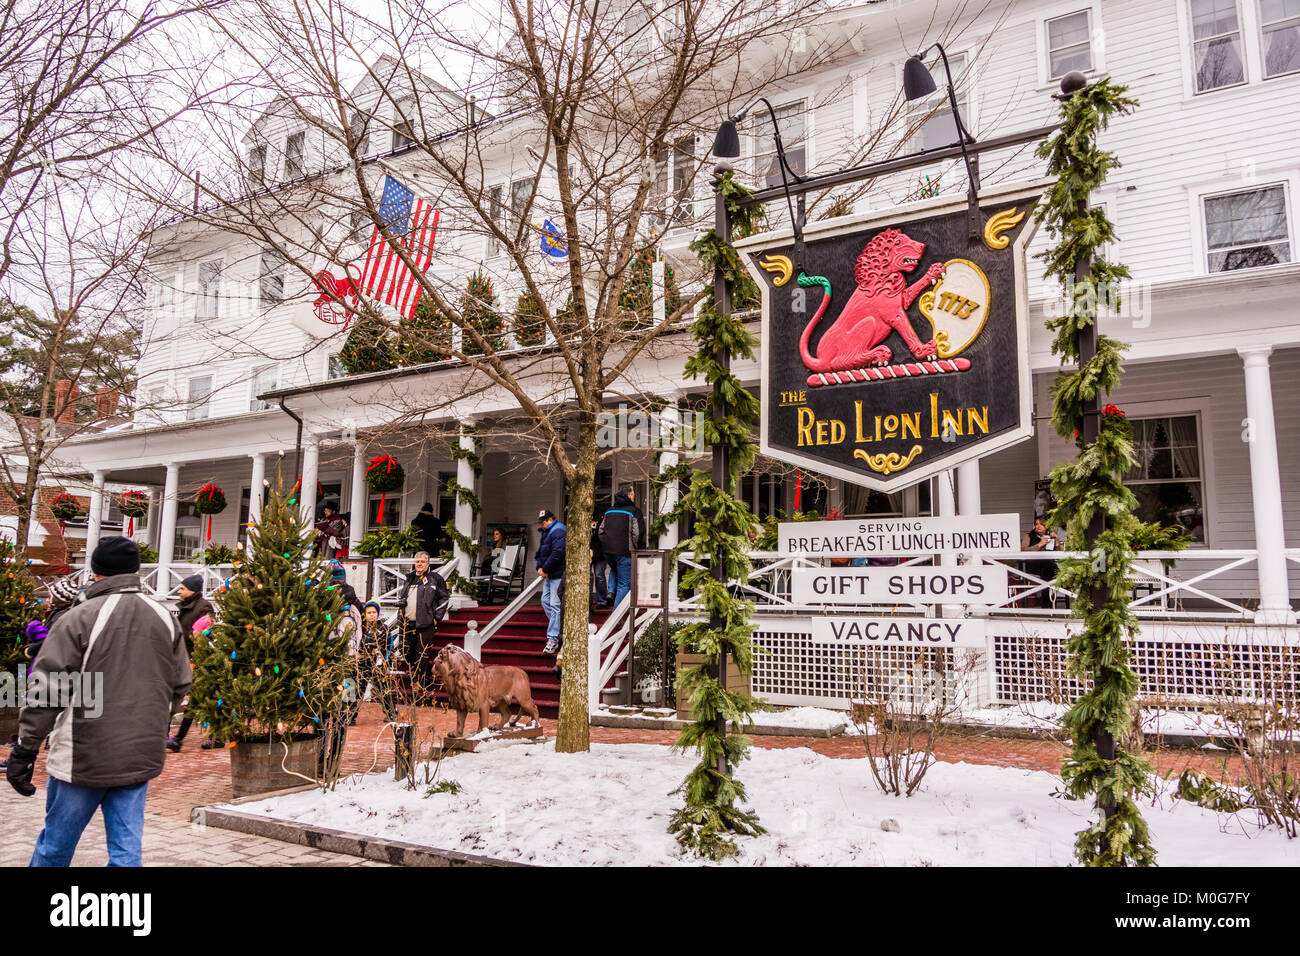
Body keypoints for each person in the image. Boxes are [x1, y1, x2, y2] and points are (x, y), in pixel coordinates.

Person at [6, 536, 191, 867]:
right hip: (139, 755)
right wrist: (154, 728)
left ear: (96, 571)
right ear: (135, 571)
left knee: (56, 847)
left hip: (84, 755)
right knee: (125, 852)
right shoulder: (165, 617)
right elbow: (180, 684)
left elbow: (47, 691)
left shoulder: (79, 618)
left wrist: (25, 749)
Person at [167, 574, 216, 752]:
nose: (178, 591)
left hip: (198, 660)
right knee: (175, 697)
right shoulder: (185, 608)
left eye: (182, 588)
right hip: (183, 659)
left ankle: (181, 738)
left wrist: (199, 633)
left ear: (192, 591)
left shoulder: (204, 606)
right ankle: (171, 737)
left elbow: (209, 626)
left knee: (197, 700)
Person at [398, 551, 450, 699]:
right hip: (407, 622)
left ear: (428, 563)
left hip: (425, 623)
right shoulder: (409, 578)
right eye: (417, 561)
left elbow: (444, 599)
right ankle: (416, 678)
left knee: (422, 655)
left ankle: (419, 683)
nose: (419, 564)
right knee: (406, 651)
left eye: (422, 561)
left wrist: (436, 618)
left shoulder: (435, 579)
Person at [597, 486, 644, 609]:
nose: (634, 497)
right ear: (629, 496)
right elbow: (637, 533)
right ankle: (614, 617)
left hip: (608, 551)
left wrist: (607, 543)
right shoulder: (633, 511)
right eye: (633, 495)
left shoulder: (609, 511)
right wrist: (635, 547)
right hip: (624, 551)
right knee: (624, 584)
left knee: (615, 568)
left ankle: (611, 591)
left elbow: (600, 531)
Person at [535, 509, 566, 655]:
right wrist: (539, 567)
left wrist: (545, 568)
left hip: (557, 573)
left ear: (550, 520)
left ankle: (553, 639)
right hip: (549, 574)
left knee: (555, 605)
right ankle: (560, 627)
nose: (541, 525)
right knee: (545, 601)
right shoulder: (548, 532)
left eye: (543, 522)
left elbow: (558, 553)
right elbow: (542, 552)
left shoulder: (558, 531)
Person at [1021, 517, 1058, 608]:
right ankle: (1049, 603)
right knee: (1049, 569)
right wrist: (1039, 545)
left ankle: (1046, 603)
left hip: (1047, 567)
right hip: (1031, 565)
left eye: (1041, 524)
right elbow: (1023, 550)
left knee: (1048, 569)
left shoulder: (1050, 536)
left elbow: (1058, 553)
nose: (1038, 526)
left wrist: (1056, 540)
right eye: (1036, 524)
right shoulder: (1029, 536)